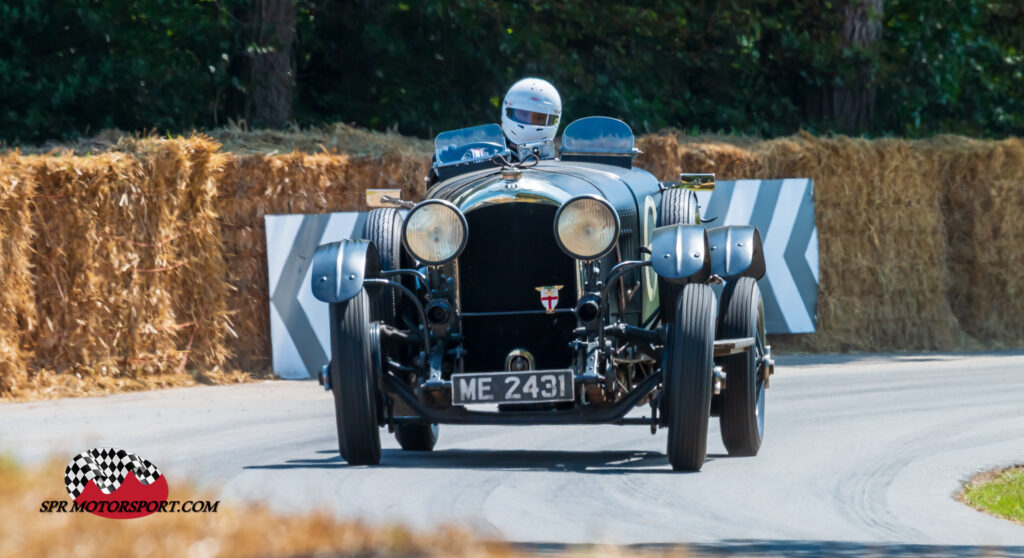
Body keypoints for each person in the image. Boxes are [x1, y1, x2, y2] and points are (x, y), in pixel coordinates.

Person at [500, 77, 562, 161]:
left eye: (539, 117)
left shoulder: (560, 168)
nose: (529, 121)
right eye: (524, 114)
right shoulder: (491, 159)